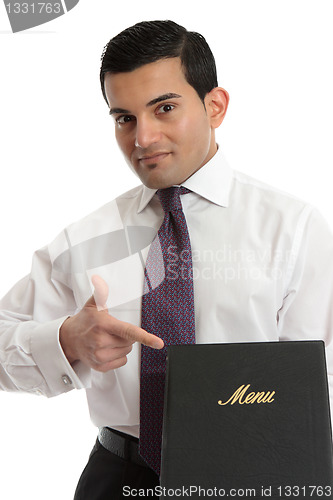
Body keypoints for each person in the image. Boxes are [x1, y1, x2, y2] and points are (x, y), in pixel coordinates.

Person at [1, 19, 333, 499]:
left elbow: (319, 378)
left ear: (214, 106)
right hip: (118, 478)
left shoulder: (292, 228)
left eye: (165, 108)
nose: (143, 138)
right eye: (125, 118)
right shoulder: (88, 237)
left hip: (254, 473)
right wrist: (64, 340)